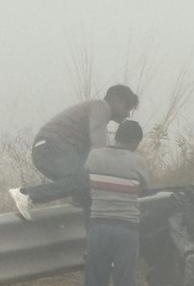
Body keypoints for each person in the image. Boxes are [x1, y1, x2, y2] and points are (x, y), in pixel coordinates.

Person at [8, 85, 139, 220]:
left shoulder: (94, 113)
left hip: (49, 149)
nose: (127, 114)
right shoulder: (101, 107)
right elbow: (99, 149)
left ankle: (87, 223)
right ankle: (27, 194)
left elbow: (89, 159)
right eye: (127, 108)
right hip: (50, 148)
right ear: (118, 101)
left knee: (86, 187)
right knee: (86, 180)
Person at [81, 120, 149, 286]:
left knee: (94, 283)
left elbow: (85, 182)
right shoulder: (137, 161)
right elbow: (145, 188)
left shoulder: (94, 156)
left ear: (116, 135)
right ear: (134, 142)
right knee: (124, 285)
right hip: (126, 229)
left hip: (98, 227)